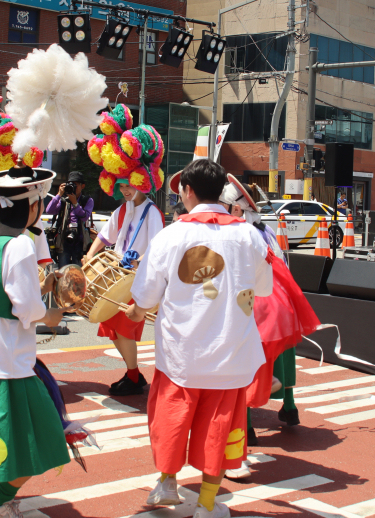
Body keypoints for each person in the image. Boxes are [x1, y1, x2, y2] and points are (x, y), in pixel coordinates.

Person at [126, 159, 273, 518]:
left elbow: (143, 298)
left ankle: (166, 482)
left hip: (182, 355)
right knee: (219, 429)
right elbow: (265, 286)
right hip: (231, 356)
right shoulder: (247, 234)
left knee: (170, 418)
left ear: (187, 191)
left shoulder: (172, 234)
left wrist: (134, 312)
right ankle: (207, 505)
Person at [0, 166, 75, 518]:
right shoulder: (21, 244)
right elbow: (26, 309)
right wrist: (51, 315)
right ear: (31, 205)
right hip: (8, 364)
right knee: (42, 439)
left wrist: (39, 294)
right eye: (41, 202)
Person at [218, 177, 321, 481]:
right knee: (281, 350)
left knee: (245, 359)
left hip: (254, 300)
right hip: (278, 297)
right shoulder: (262, 230)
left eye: (225, 206)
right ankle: (288, 406)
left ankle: (247, 425)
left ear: (235, 207)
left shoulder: (238, 232)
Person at [85, 103, 166, 396]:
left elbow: (157, 249)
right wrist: (90, 256)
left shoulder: (153, 213)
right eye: (120, 187)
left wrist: (138, 263)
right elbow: (104, 238)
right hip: (115, 275)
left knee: (124, 329)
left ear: (141, 182)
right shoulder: (122, 210)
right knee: (111, 327)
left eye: (128, 186)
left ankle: (134, 377)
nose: (124, 190)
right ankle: (133, 375)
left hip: (134, 281)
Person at [45, 171, 93, 267]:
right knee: (63, 271)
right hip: (64, 241)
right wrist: (59, 194)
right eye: (70, 184)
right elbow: (49, 210)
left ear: (82, 186)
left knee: (78, 271)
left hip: (80, 242)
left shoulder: (87, 200)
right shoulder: (64, 200)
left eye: (75, 184)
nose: (73, 187)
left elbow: (85, 217)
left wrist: (75, 203)